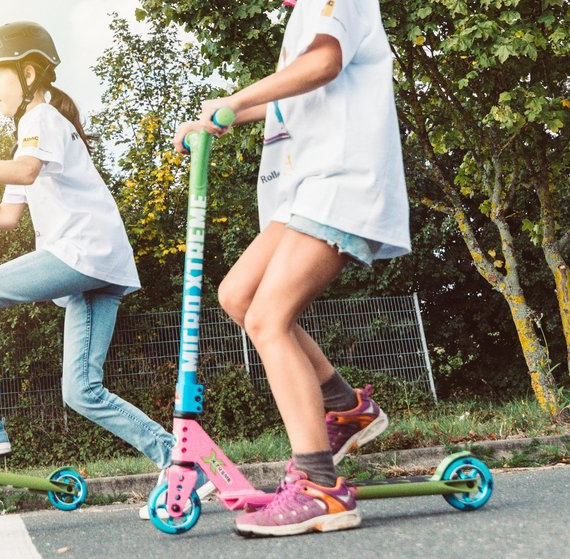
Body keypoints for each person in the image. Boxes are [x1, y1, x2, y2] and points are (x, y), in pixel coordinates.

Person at [0, 21, 213, 510]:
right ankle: (181, 463)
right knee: (81, 391)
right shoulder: (29, 137)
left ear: (29, 74)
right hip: (99, 266)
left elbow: (26, 171)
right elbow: (8, 216)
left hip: (83, 254)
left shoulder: (42, 118)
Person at [171, 0, 410, 537]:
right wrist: (222, 118)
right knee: (238, 296)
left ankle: (321, 486)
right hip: (306, 190)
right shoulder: (301, 16)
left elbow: (323, 63)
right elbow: (299, 95)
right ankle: (345, 408)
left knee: (268, 319)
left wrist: (236, 97)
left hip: (342, 179)